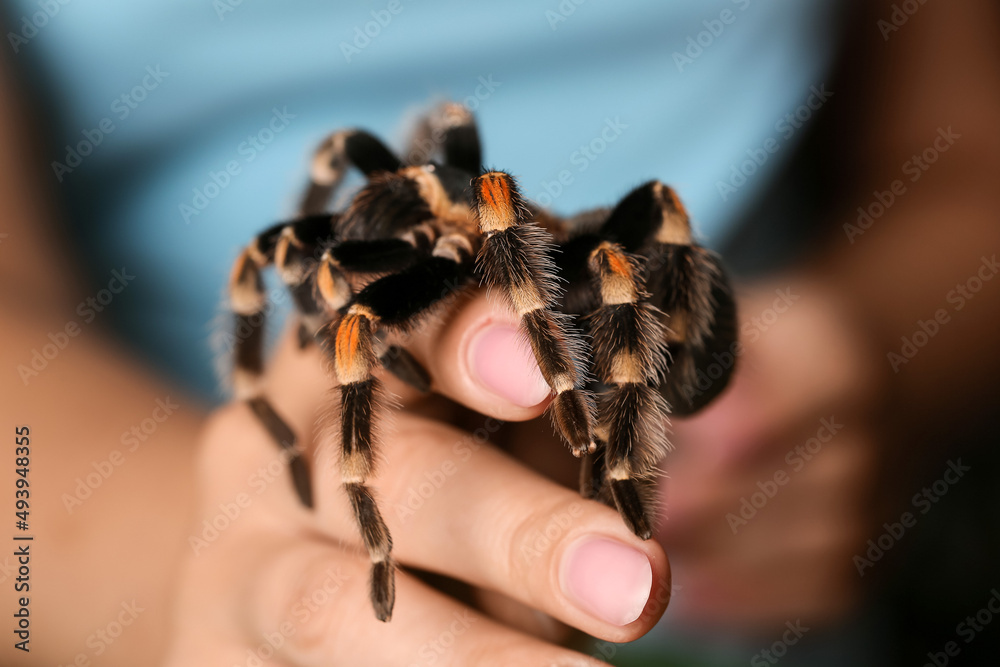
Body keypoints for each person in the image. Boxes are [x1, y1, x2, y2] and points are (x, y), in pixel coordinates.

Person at [2, 1, 999, 665]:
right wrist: (211, 568)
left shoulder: (537, 238)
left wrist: (886, 357)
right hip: (125, 586)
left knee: (601, 258)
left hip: (752, 576)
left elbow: (966, 157)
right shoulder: (386, 230)